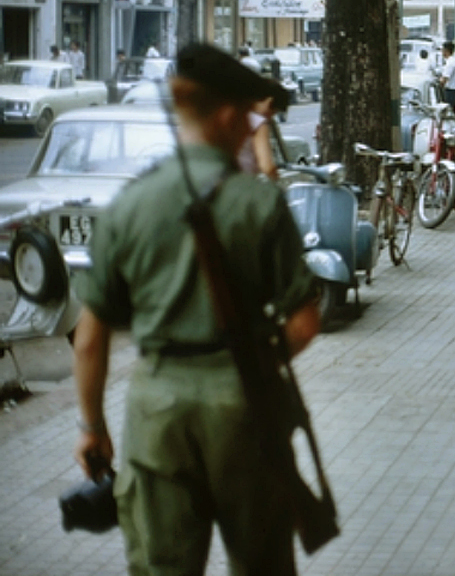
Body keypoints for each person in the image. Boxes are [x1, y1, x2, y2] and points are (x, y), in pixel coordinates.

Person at [71, 42, 320, 576]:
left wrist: (92, 426)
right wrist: (252, 361)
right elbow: (304, 322)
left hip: (156, 412)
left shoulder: (130, 205)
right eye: (250, 115)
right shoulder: (259, 202)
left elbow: (90, 338)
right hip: (245, 409)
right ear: (228, 115)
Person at [439, 41, 455, 113]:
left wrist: (439, 84)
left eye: (442, 50)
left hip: (450, 92)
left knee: (449, 114)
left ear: (446, 51)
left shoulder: (451, 63)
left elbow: (444, 79)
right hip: (454, 92)